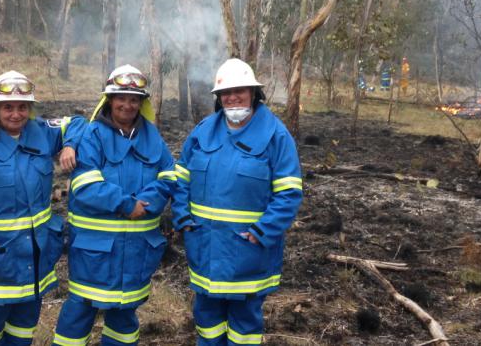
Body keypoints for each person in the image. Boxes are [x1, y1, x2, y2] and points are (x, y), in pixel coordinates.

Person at [0, 70, 84, 346]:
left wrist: (68, 145)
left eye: (23, 107)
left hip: (36, 253)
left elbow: (78, 123)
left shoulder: (42, 132)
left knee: (24, 325)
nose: (16, 114)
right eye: (8, 107)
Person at [172, 58, 303, 346]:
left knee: (244, 325)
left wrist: (262, 232)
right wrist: (182, 218)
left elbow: (289, 193)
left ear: (254, 93)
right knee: (206, 320)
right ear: (218, 98)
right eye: (226, 93)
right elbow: (180, 177)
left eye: (239, 91)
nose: (232, 98)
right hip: (204, 247)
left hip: (247, 252)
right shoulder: (203, 131)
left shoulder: (276, 135)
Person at [53, 65, 181, 346]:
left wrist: (149, 202)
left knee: (124, 315)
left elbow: (169, 175)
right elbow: (86, 187)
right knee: (79, 312)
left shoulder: (152, 136)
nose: (127, 104)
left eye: (134, 99)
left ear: (141, 103)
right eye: (121, 98)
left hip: (137, 251)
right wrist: (127, 205)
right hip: (94, 252)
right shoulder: (92, 135)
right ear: (110, 100)